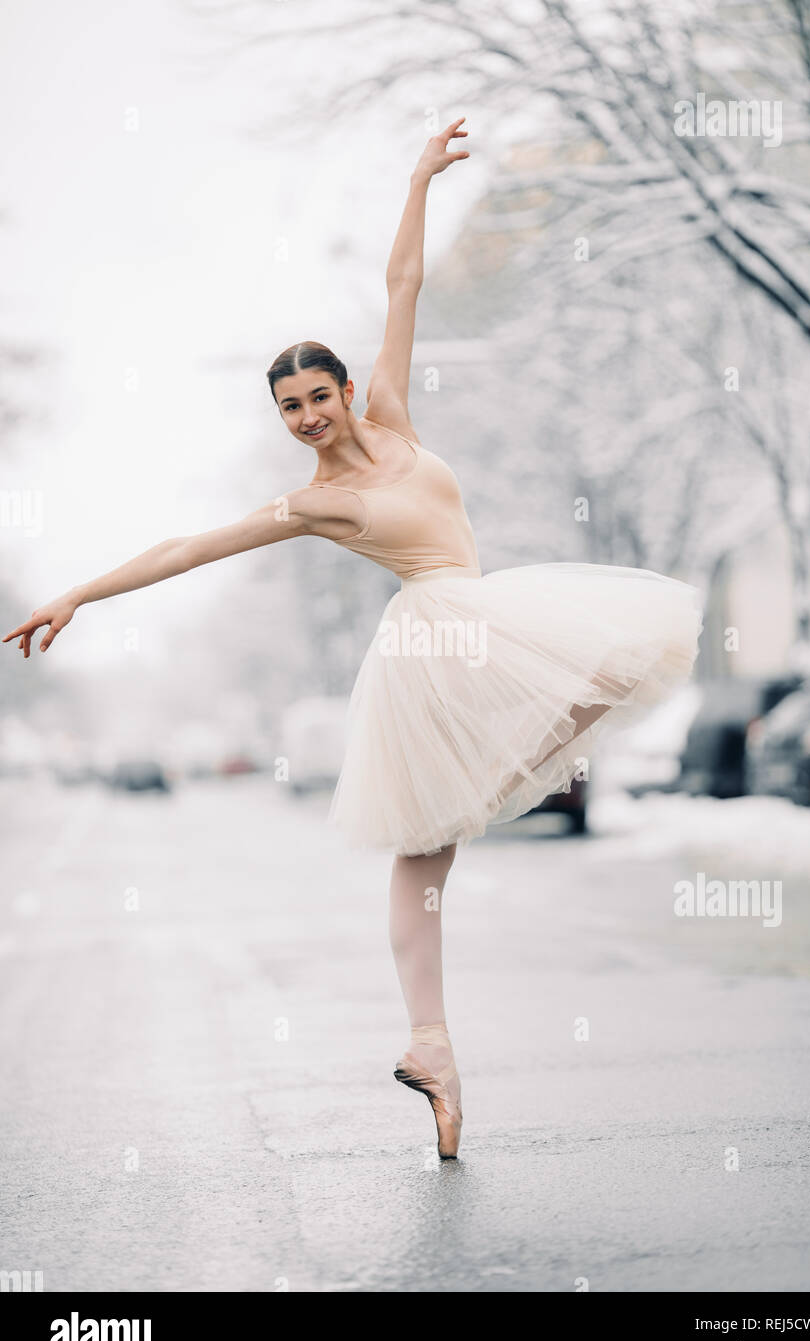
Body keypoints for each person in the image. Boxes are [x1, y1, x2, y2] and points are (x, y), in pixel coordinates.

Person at [4, 118, 703, 1160]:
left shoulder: (394, 415)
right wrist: (80, 594)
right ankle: (438, 1011)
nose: (303, 418)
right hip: (435, 638)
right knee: (433, 848)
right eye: (287, 408)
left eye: (313, 397)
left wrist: (418, 177)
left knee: (600, 673)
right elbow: (190, 546)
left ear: (342, 388)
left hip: (477, 614)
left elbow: (403, 284)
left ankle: (441, 1018)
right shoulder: (318, 501)